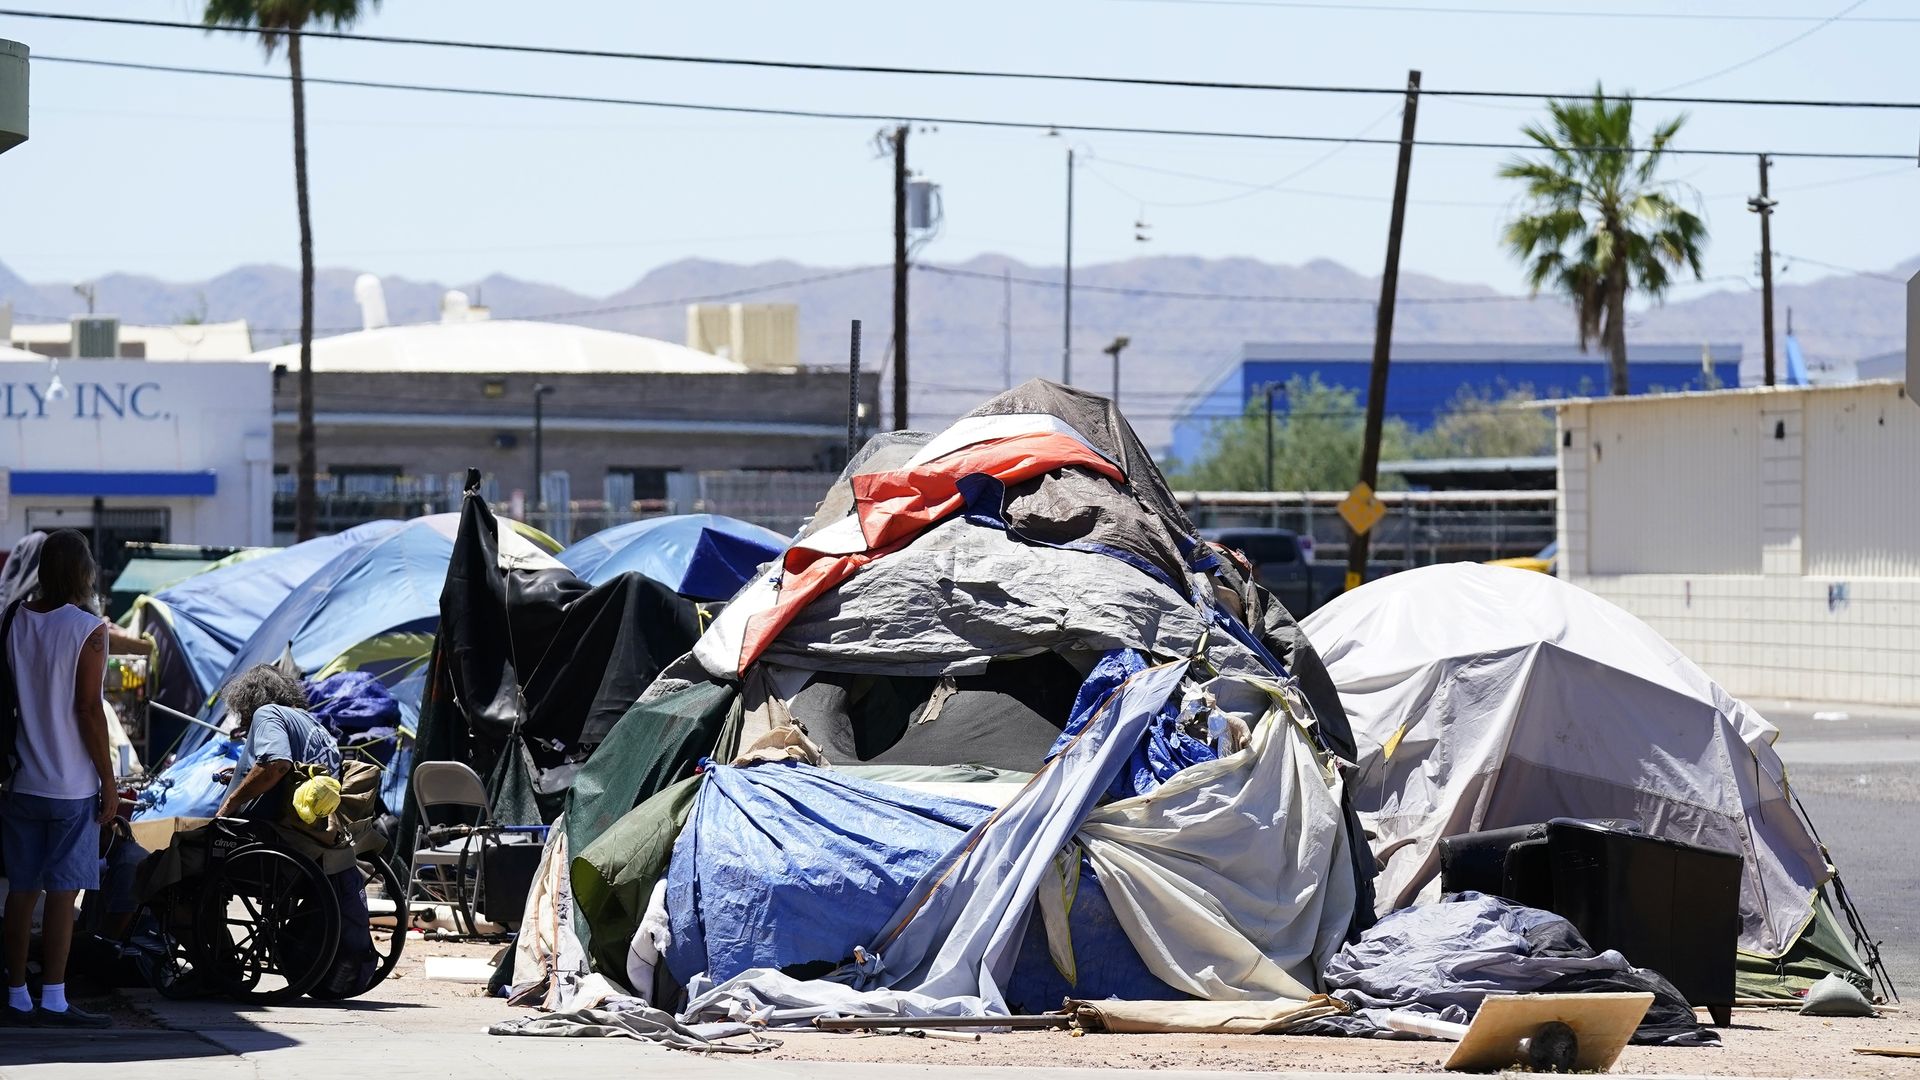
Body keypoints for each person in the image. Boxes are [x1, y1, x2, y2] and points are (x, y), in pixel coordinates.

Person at [1, 530, 116, 1028]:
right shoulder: (88, 628)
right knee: (63, 896)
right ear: (83, 572)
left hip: (21, 779)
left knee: (20, 893)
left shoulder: (12, 620)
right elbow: (88, 709)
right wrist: (109, 783)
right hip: (71, 785)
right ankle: (52, 998)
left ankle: (14, 996)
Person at [212, 665, 341, 821]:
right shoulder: (316, 726)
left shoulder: (268, 712)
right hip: (308, 829)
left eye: (243, 712)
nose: (244, 720)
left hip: (267, 832)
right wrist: (247, 774)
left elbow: (277, 765)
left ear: (250, 700)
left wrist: (230, 804)